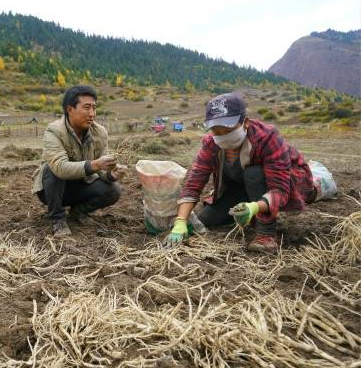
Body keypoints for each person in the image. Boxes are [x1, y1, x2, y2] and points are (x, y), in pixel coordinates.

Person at [164, 92, 315, 253]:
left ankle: (266, 234)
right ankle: (250, 204)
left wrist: (254, 208)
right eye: (216, 131)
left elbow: (279, 190)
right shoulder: (211, 144)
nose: (223, 136)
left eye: (228, 129)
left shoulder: (267, 137)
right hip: (242, 185)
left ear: (245, 123)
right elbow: (194, 183)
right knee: (206, 219)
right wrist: (180, 222)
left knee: (253, 173)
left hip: (285, 182)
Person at [32, 85, 127, 236]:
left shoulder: (100, 133)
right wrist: (95, 164)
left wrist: (110, 174)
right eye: (87, 108)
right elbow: (60, 168)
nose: (92, 114)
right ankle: (57, 219)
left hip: (82, 185)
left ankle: (78, 212)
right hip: (54, 191)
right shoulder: (54, 131)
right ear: (70, 109)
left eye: (94, 108)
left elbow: (101, 169)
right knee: (52, 169)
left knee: (113, 190)